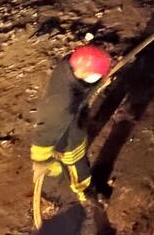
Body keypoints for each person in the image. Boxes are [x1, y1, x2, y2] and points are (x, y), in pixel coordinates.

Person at [30, 45, 111, 203]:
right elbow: (47, 131)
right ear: (85, 74)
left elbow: (84, 85)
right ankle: (84, 192)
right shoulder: (62, 103)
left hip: (72, 116)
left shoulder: (68, 65)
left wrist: (99, 80)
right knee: (76, 164)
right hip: (67, 138)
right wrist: (41, 159)